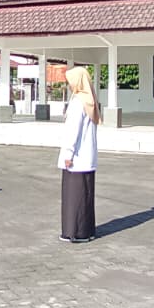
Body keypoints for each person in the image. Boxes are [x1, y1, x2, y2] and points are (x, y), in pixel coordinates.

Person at [58, 67, 100, 243]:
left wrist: (68, 153)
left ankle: (74, 232)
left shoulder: (77, 103)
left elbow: (73, 132)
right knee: (86, 195)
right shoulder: (90, 101)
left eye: (70, 81)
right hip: (87, 157)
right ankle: (86, 230)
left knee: (74, 197)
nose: (68, 85)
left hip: (76, 158)